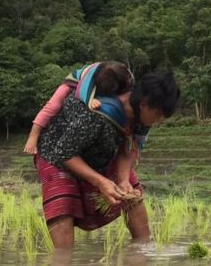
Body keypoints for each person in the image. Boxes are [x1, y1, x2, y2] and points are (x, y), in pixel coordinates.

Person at [34, 72, 180, 248]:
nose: (158, 121)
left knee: (132, 196)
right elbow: (65, 153)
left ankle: (144, 253)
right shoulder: (99, 113)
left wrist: (124, 179)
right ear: (144, 104)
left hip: (101, 151)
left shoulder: (142, 119)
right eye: (158, 115)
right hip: (56, 152)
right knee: (62, 205)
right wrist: (101, 182)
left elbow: (128, 149)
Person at [24, 61, 134, 155]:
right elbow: (80, 91)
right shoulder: (92, 76)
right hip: (76, 81)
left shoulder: (124, 73)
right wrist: (90, 100)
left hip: (105, 82)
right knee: (53, 105)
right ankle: (33, 135)